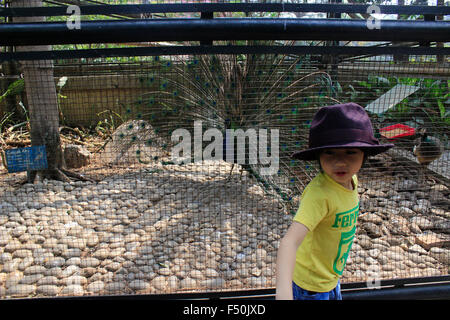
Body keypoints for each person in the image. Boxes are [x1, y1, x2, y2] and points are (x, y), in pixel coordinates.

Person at [275, 103, 394, 300]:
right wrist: (283, 293)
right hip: (310, 287)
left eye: (350, 152)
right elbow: (289, 242)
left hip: (330, 278)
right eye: (329, 153)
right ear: (318, 156)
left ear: (364, 155)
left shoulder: (351, 180)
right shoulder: (319, 194)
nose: (340, 162)